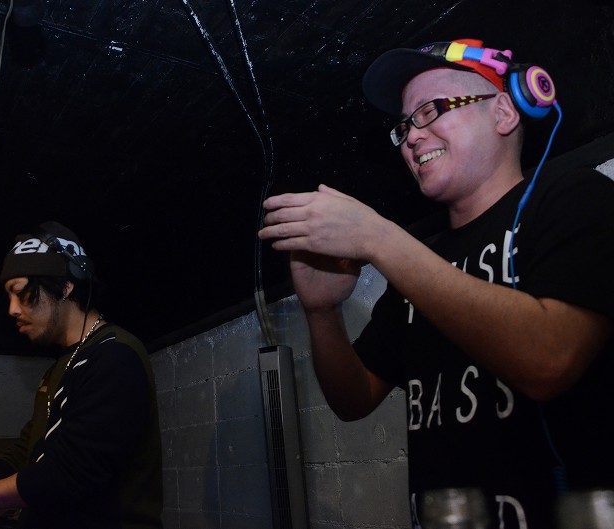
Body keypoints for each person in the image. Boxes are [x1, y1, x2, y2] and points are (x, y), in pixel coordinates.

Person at [258, 38, 614, 528]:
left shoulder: (576, 198)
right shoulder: (423, 265)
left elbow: (550, 360)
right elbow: (354, 399)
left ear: (504, 112)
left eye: (430, 111)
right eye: (405, 125)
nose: (411, 137)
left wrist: (380, 238)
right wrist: (322, 313)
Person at [0, 221, 163, 529]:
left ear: (65, 286)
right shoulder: (60, 368)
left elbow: (69, 473)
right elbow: (26, 455)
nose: (12, 309)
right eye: (9, 296)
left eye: (22, 293)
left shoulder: (115, 356)